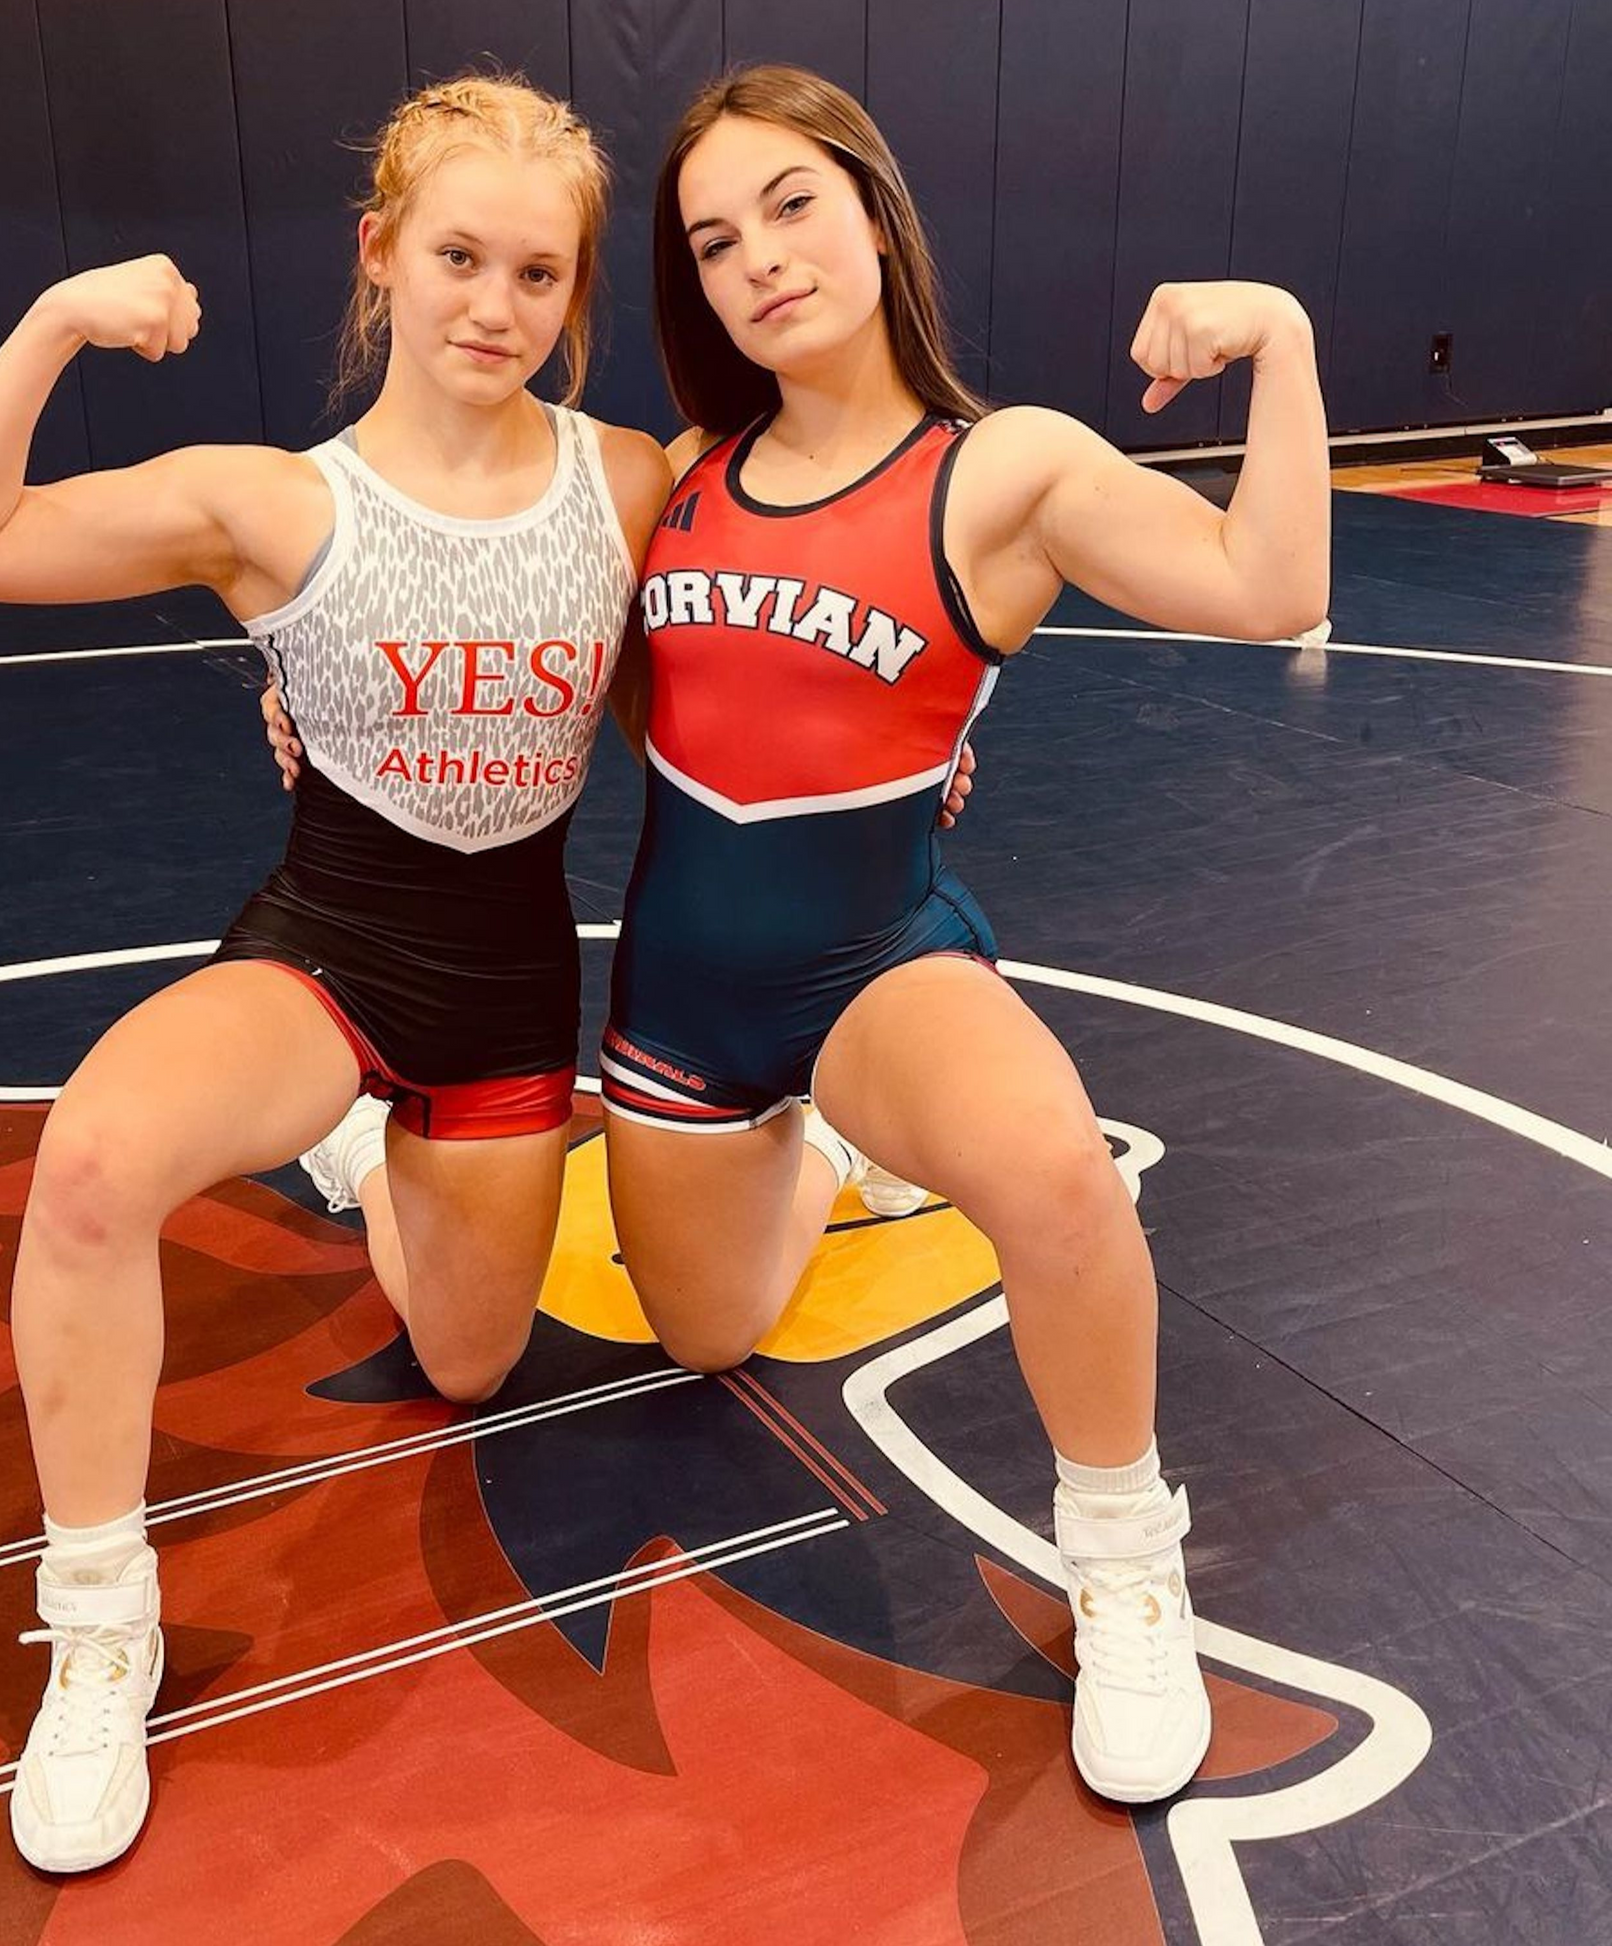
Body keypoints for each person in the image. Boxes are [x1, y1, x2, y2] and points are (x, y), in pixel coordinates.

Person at [0, 75, 672, 1874]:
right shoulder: (266, 503)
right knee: (89, 1157)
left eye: (537, 274)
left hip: (505, 988)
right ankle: (97, 1618)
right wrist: (59, 320)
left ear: (574, 294)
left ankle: (369, 1158)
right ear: (381, 251)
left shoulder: (625, 481)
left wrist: (926, 739)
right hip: (331, 952)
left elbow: (799, 606)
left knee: (469, 1367)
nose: (494, 304)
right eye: (458, 254)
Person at [589, 66, 1329, 1805]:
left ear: (870, 210)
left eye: (790, 204)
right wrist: (321, 726)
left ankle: (1125, 1559)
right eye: (713, 240)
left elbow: (1269, 585)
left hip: (874, 968)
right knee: (704, 1337)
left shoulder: (1002, 467)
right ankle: (825, 1164)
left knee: (1058, 1170)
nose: (759, 257)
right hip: (677, 997)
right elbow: (571, 676)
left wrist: (1282, 335)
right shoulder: (677, 473)